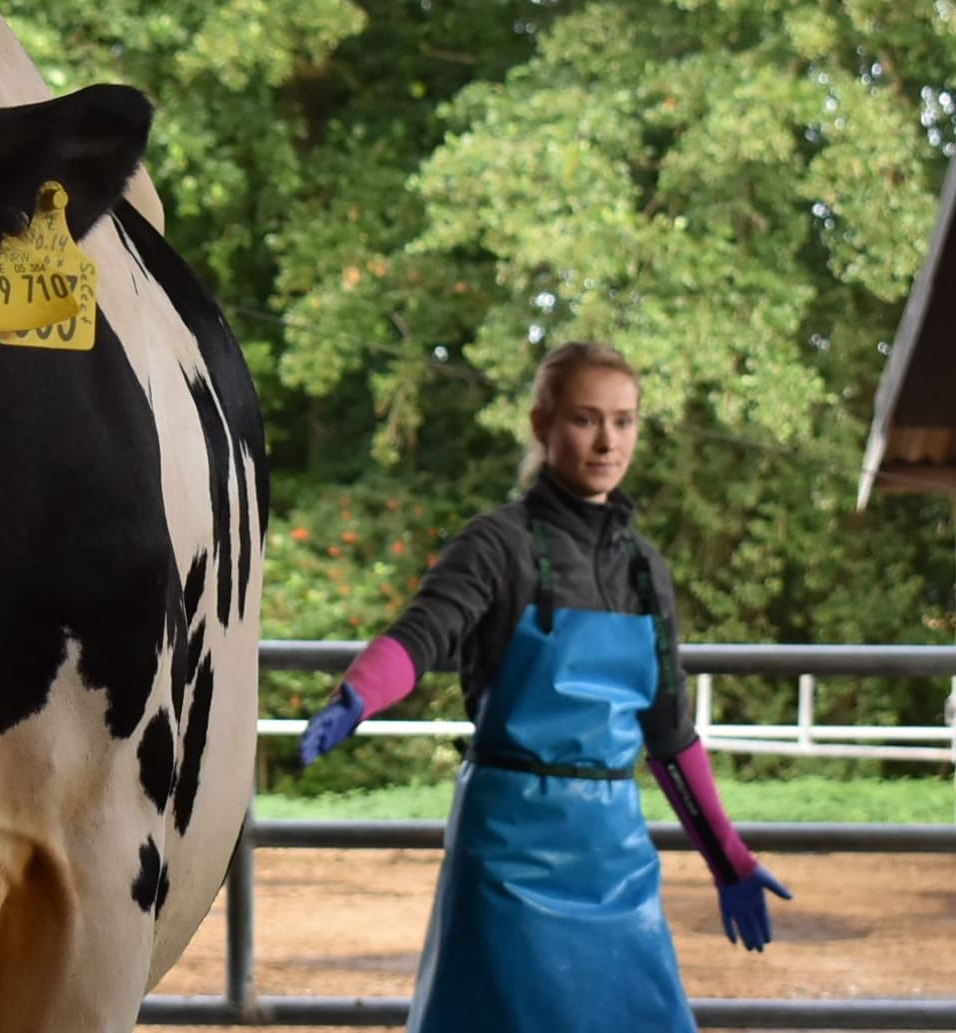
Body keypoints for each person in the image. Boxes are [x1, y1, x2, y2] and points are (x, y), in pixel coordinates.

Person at [301, 341, 791, 1033]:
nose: (606, 441)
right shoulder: (495, 544)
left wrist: (729, 861)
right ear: (541, 424)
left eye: (623, 421)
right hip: (505, 850)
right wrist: (358, 692)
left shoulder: (645, 571)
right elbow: (422, 633)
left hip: (613, 850)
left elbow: (670, 733)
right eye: (585, 419)